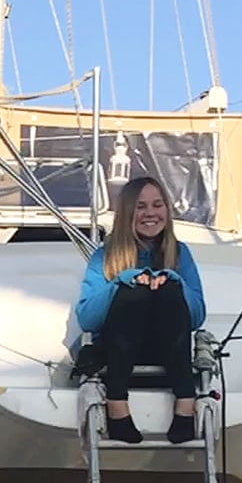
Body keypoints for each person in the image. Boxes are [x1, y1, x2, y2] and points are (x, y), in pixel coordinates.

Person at [75, 175, 209, 446]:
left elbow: (196, 317)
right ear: (127, 213)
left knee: (170, 288)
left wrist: (176, 282)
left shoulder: (180, 253)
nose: (150, 213)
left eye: (157, 205)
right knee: (133, 291)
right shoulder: (105, 255)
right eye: (141, 206)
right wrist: (122, 283)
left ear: (167, 211)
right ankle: (117, 405)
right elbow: (87, 318)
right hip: (119, 350)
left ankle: (185, 403)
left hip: (166, 348)